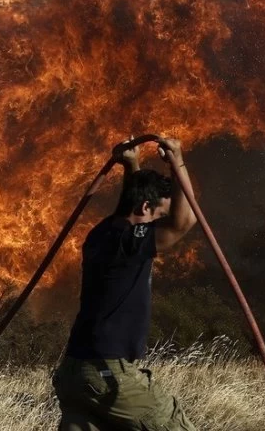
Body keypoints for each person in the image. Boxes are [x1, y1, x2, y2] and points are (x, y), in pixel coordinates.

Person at [53, 137, 199, 431]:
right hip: (107, 373)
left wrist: (132, 164)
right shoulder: (129, 242)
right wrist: (177, 162)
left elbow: (132, 204)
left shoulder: (102, 232)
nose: (157, 225)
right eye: (158, 216)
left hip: (76, 373)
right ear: (145, 207)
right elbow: (184, 222)